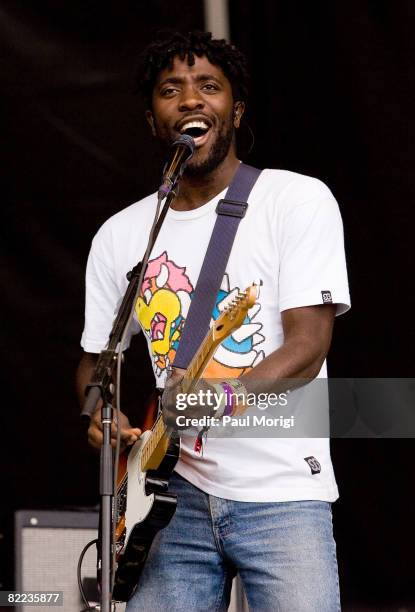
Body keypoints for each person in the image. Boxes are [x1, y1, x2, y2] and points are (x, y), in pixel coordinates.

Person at [77, 30, 350, 611]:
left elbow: (308, 347)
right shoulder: (120, 235)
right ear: (154, 120)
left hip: (282, 492)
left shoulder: (296, 201)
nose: (191, 100)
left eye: (209, 86)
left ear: (236, 109)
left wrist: (213, 399)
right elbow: (96, 364)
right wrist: (104, 416)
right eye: (171, 90)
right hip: (169, 494)